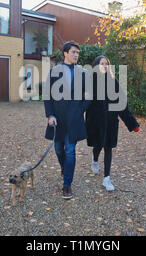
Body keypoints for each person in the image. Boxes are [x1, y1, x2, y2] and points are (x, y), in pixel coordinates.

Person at [44, 41, 91, 200]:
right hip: (57, 119)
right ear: (65, 53)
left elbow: (89, 95)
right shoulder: (53, 71)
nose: (76, 55)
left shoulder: (83, 72)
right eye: (73, 52)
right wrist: (50, 115)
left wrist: (81, 108)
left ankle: (67, 185)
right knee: (58, 149)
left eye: (78, 52)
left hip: (74, 119)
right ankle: (64, 168)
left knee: (70, 150)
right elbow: (47, 96)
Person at [86, 55, 140, 191]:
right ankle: (95, 159)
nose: (104, 66)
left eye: (106, 64)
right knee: (98, 145)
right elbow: (83, 102)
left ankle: (107, 178)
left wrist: (131, 123)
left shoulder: (113, 82)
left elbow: (122, 103)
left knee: (108, 147)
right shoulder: (90, 81)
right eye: (101, 63)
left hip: (110, 120)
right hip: (96, 121)